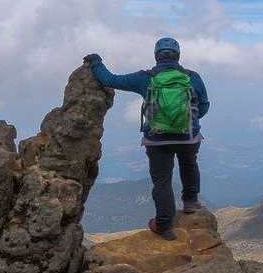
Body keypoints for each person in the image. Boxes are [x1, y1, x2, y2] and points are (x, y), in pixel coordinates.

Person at [84, 37, 210, 240]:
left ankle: (164, 226)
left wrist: (96, 63)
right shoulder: (192, 77)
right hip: (189, 136)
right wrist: (189, 122)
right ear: (178, 56)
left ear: (156, 56)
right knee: (189, 164)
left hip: (157, 140)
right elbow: (203, 105)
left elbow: (110, 80)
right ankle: (190, 202)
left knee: (162, 181)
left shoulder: (145, 78)